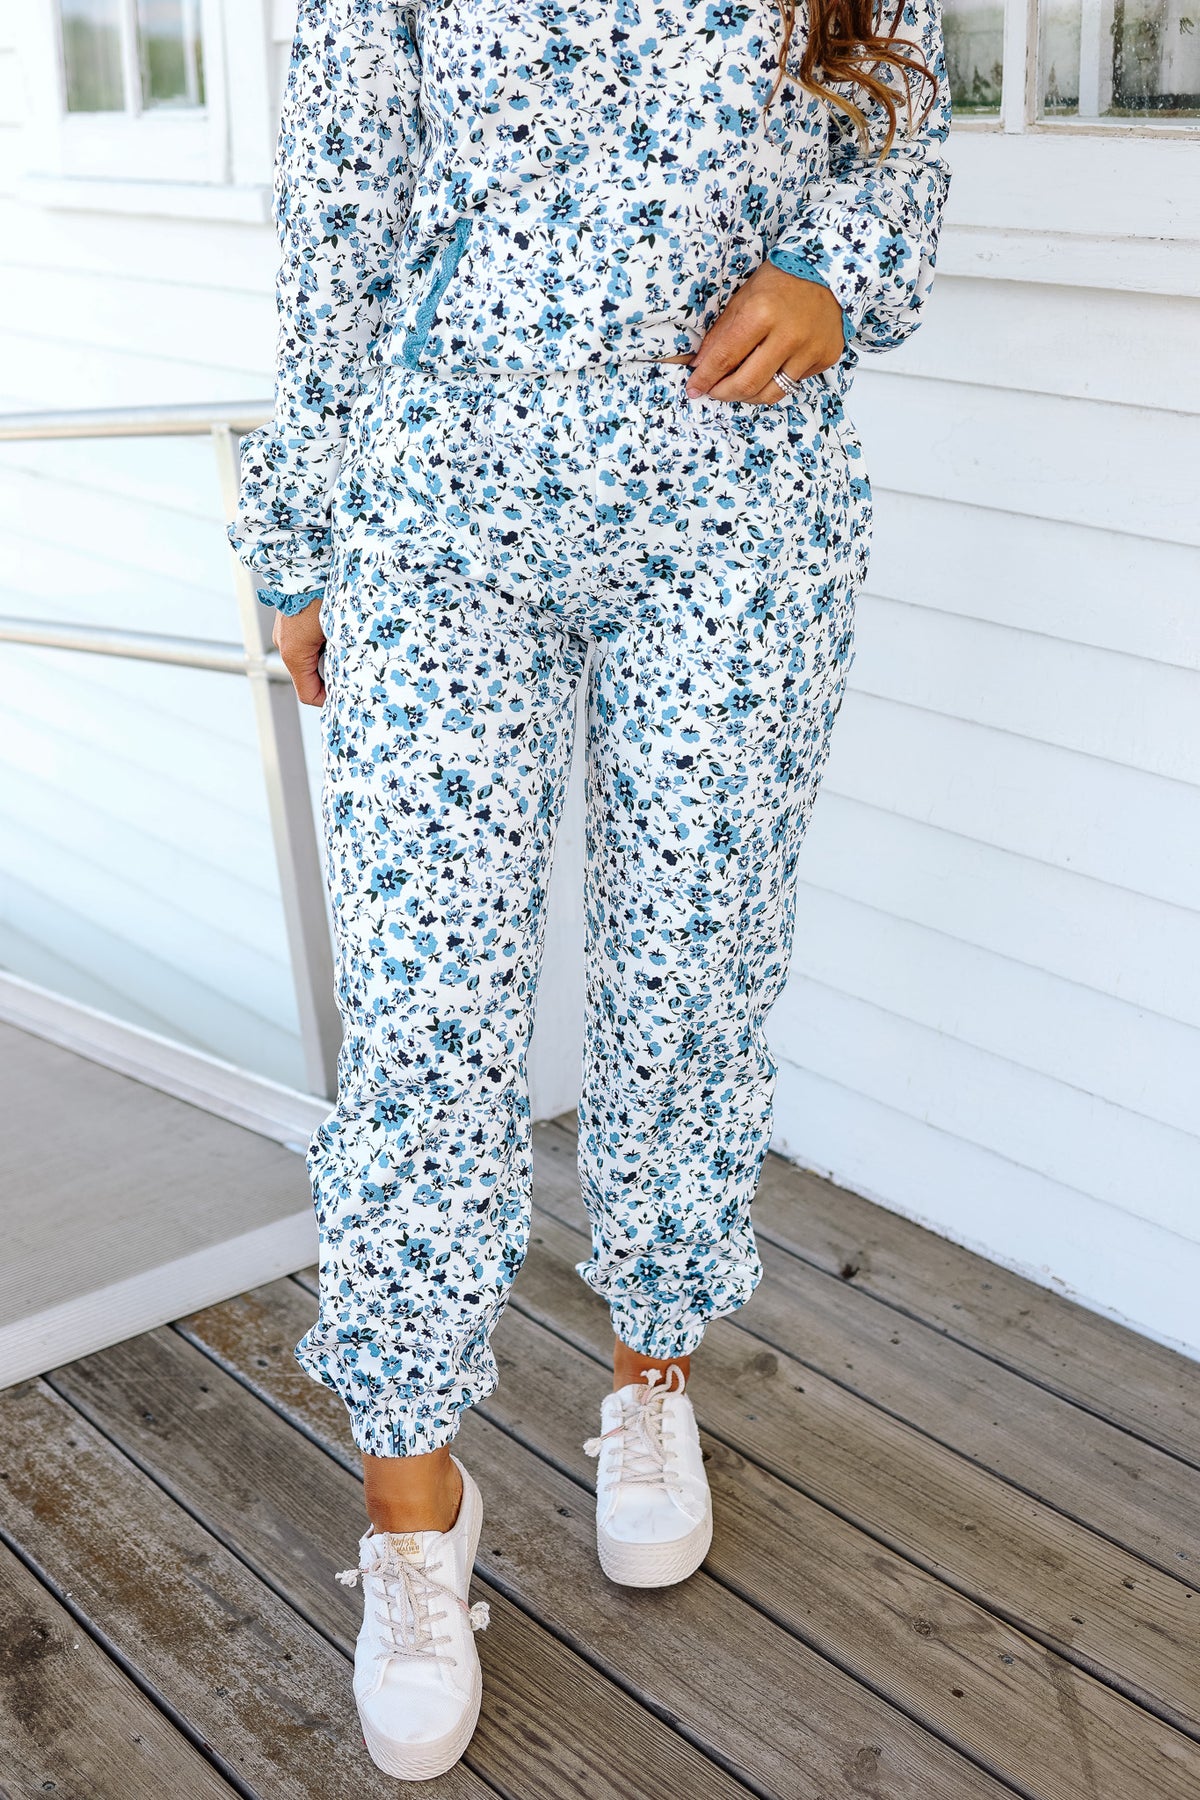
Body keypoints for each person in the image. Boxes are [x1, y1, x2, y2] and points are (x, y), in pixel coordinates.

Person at [229, 0, 950, 1778]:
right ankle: (413, 1513)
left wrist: (835, 273)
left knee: (689, 972)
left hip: (735, 505)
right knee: (428, 1019)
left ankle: (652, 1379)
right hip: (442, 511)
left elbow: (903, 140)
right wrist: (298, 532)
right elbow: (342, 203)